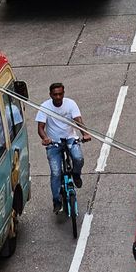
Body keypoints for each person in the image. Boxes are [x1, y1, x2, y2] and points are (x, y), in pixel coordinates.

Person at [36, 82, 92, 213]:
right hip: (53, 143)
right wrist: (45, 138)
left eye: (60, 94)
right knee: (56, 173)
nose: (58, 97)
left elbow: (78, 120)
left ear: (63, 93)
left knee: (78, 158)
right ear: (50, 95)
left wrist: (85, 134)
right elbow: (40, 128)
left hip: (70, 139)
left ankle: (76, 175)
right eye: (55, 94)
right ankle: (57, 201)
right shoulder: (45, 106)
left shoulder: (70, 104)